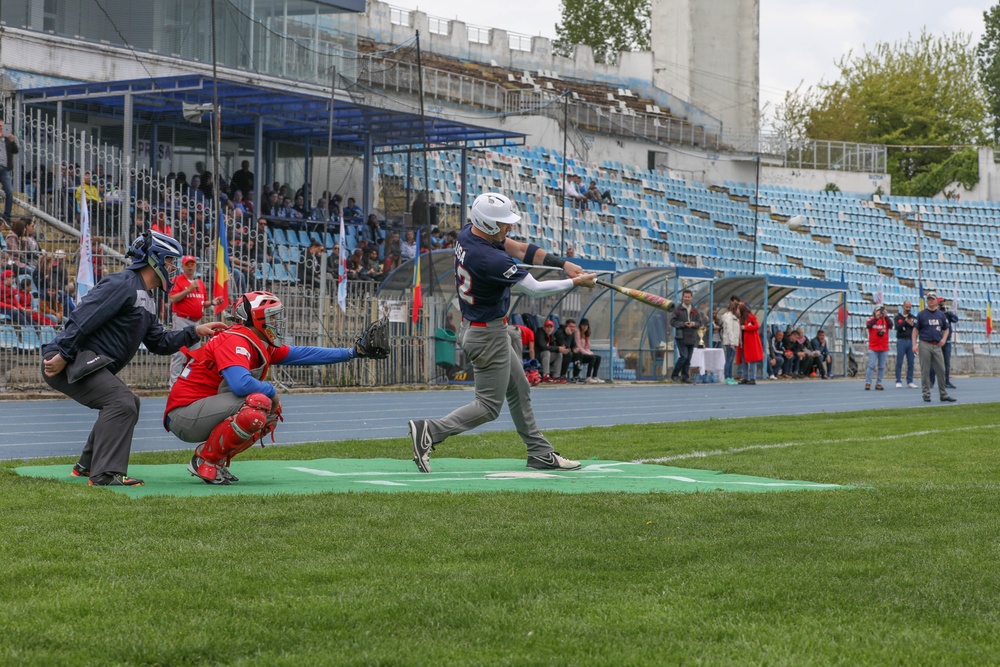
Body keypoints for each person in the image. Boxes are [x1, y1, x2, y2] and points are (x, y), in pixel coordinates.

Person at [407, 191, 596, 474]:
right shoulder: (489, 259)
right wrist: (574, 282)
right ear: (490, 224)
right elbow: (534, 288)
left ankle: (539, 452)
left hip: (484, 329)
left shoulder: (470, 234)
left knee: (520, 388)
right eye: (504, 223)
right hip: (487, 336)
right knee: (488, 407)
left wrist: (563, 264)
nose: (509, 227)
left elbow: (521, 249)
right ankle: (430, 431)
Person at [40, 231, 226, 487]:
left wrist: (194, 331)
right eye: (170, 261)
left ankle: (86, 465)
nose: (173, 268)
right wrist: (64, 354)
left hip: (79, 359)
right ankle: (105, 474)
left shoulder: (146, 298)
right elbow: (83, 318)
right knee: (122, 402)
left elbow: (159, 343)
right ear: (155, 259)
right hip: (66, 358)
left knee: (129, 402)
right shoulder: (122, 283)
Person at [164, 291, 389, 485]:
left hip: (200, 409)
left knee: (269, 412)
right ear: (258, 318)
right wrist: (272, 392)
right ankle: (205, 459)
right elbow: (240, 383)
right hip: (184, 414)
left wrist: (353, 352)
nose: (277, 321)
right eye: (273, 316)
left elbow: (304, 353)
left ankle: (215, 460)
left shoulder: (255, 340)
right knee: (259, 402)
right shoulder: (235, 339)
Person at [168, 255, 222, 386]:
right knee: (180, 352)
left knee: (194, 354)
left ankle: (188, 382)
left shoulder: (200, 283)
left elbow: (202, 302)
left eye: (192, 264)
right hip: (182, 319)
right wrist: (189, 290)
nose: (190, 267)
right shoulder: (178, 280)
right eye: (188, 264)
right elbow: (172, 298)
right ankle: (173, 384)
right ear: (183, 266)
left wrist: (212, 302)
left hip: (196, 322)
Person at [912, 292, 956, 404]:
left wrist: (944, 339)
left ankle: (943, 393)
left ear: (936, 301)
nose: (931, 301)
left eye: (932, 299)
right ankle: (926, 394)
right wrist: (914, 344)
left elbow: (946, 328)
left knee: (941, 369)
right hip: (925, 343)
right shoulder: (922, 314)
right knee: (925, 370)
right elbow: (915, 330)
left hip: (937, 344)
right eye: (929, 299)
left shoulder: (940, 315)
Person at [669, 289, 702, 384]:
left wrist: (693, 324)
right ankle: (674, 375)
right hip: (681, 336)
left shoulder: (694, 310)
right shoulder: (678, 309)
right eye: (685, 297)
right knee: (684, 356)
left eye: (688, 297)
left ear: (691, 298)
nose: (687, 298)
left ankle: (685, 377)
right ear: (683, 297)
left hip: (691, 336)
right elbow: (672, 322)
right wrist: (683, 324)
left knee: (688, 358)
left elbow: (700, 322)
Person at [929, 297, 959, 390]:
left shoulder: (947, 314)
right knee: (934, 362)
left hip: (947, 340)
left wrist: (948, 313)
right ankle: (931, 381)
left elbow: (955, 320)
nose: (942, 304)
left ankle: (946, 381)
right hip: (936, 340)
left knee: (946, 363)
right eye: (940, 303)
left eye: (943, 303)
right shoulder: (933, 314)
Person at [865, 306, 892, 390]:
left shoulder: (886, 320)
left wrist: (886, 316)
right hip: (873, 347)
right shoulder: (871, 320)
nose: (880, 313)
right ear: (874, 312)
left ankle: (879, 383)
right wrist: (876, 318)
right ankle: (868, 382)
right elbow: (869, 325)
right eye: (878, 311)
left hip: (883, 347)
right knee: (871, 365)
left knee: (881, 366)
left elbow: (891, 325)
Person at [735, 303, 762, 385]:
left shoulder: (750, 316)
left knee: (752, 360)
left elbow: (756, 326)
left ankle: (753, 378)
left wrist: (746, 327)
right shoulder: (740, 318)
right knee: (744, 360)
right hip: (743, 342)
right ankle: (746, 377)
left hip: (750, 342)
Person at [894, 300, 918, 388]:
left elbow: (915, 326)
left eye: (909, 307)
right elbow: (897, 327)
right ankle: (898, 380)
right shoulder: (898, 317)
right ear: (903, 307)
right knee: (899, 361)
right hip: (901, 340)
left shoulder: (913, 317)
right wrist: (905, 321)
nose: (908, 309)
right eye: (907, 307)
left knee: (911, 362)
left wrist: (910, 321)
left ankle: (910, 381)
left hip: (911, 341)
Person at [0, 118, 19, 222]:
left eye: (3, 127)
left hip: (4, 169)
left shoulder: (7, 139)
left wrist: (12, 140)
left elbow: (16, 151)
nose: (1, 128)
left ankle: (7, 216)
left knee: (9, 192)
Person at [574, 317, 603, 383]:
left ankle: (594, 376)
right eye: (583, 325)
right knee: (592, 357)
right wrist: (589, 353)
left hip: (584, 353)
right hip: (578, 354)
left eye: (586, 326)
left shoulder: (585, 334)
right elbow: (579, 347)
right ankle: (588, 377)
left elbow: (586, 348)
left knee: (598, 358)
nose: (584, 327)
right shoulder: (577, 332)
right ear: (580, 325)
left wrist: (590, 352)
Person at [720, 300, 741, 384]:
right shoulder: (729, 317)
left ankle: (730, 376)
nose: (739, 311)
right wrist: (732, 342)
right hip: (730, 342)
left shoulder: (734, 317)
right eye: (738, 308)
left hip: (733, 341)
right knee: (729, 360)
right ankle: (727, 377)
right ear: (734, 309)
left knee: (731, 360)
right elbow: (729, 330)